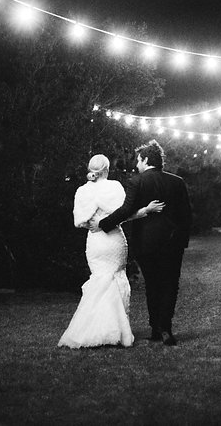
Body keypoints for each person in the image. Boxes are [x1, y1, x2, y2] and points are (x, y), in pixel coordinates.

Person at [92, 139, 193, 346]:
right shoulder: (177, 182)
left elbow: (125, 210)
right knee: (170, 285)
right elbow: (187, 216)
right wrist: (181, 241)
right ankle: (165, 329)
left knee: (152, 284)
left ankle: (155, 328)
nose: (137, 164)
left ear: (146, 160)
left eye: (138, 160)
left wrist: (102, 224)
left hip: (146, 244)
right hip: (173, 244)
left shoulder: (137, 181)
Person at [58, 154, 164, 348]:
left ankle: (90, 330)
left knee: (99, 280)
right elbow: (124, 214)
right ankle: (114, 330)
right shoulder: (114, 187)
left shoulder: (82, 191)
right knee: (114, 279)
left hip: (95, 242)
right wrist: (145, 210)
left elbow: (80, 222)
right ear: (106, 169)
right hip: (113, 239)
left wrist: (95, 225)